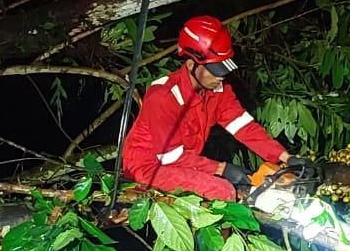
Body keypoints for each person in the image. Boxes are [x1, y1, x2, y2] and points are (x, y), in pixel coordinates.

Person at [121, 15, 302, 200]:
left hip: (183, 162)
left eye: (223, 70)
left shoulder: (218, 90)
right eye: (215, 70)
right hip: (148, 167)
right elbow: (169, 157)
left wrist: (286, 157)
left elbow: (244, 127)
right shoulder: (163, 96)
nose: (220, 77)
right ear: (191, 64)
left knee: (254, 183)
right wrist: (221, 169)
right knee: (222, 190)